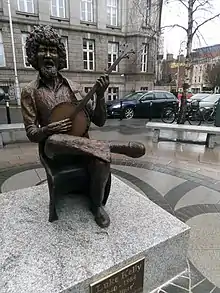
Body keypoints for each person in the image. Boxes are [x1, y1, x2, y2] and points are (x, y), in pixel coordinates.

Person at [21, 25, 145, 229]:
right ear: (34, 55)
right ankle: (111, 146)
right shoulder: (30, 92)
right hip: (54, 150)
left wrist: (101, 95)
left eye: (53, 50)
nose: (49, 55)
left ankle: (97, 207)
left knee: (102, 160)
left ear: (60, 56)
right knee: (53, 140)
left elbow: (99, 121)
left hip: (83, 148)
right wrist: (50, 129)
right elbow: (32, 133)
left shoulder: (74, 88)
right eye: (43, 50)